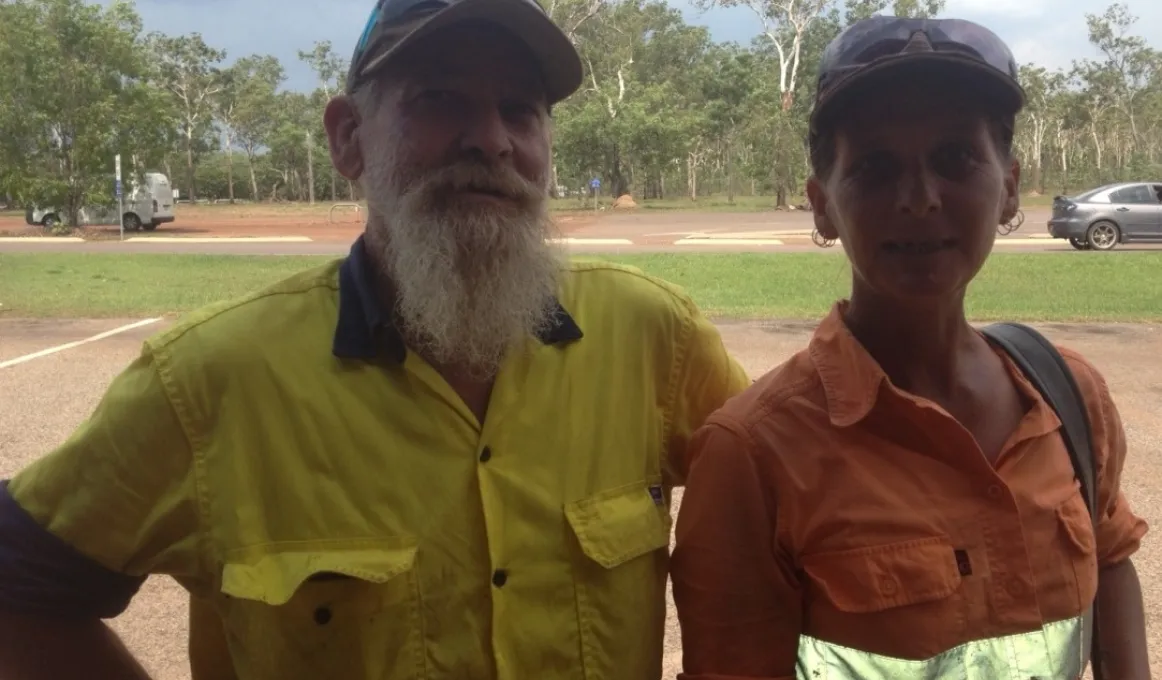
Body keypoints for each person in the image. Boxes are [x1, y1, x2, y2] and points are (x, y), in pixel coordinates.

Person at [0, 1, 749, 678]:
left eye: (519, 110)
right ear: (348, 138)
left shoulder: (655, 340)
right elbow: (18, 588)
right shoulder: (211, 381)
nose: (489, 139)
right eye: (438, 99)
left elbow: (799, 505)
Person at [671, 16, 1150, 680]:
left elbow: (1109, 558)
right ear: (820, 205)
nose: (920, 199)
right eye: (874, 167)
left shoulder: (1069, 394)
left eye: (955, 158)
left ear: (1009, 185)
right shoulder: (753, 455)